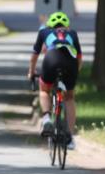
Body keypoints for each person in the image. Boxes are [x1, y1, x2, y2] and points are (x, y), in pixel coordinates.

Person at [27, 11, 83, 150]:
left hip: (51, 59)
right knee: (69, 98)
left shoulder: (44, 32)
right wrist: (75, 73)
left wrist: (31, 72)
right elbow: (80, 59)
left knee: (44, 90)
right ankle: (70, 137)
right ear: (66, 26)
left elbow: (34, 56)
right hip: (70, 63)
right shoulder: (73, 33)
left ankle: (46, 118)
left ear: (50, 24)